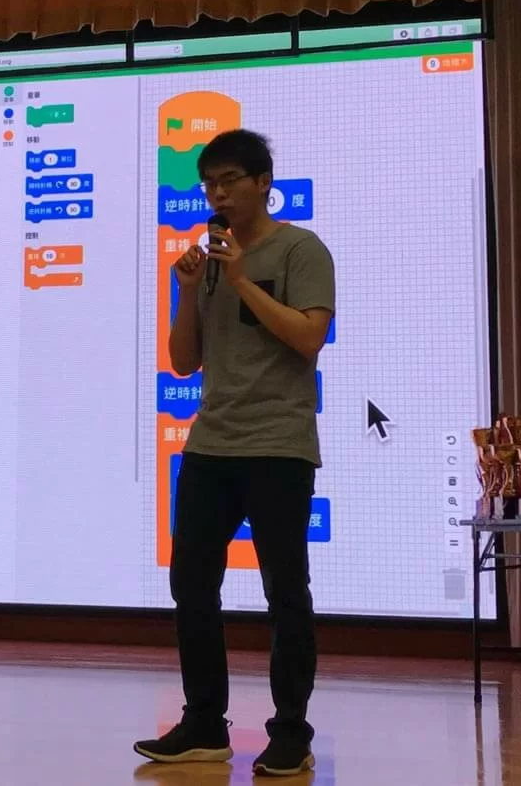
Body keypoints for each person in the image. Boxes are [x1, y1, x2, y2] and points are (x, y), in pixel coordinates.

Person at [133, 129, 335, 777]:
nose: (217, 194)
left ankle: (291, 732)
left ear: (262, 183)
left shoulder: (300, 249)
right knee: (191, 583)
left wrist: (243, 280)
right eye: (209, 184)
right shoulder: (210, 262)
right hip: (211, 444)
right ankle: (203, 723)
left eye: (229, 181)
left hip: (279, 444)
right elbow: (184, 361)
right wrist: (188, 290)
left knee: (285, 591)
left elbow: (309, 337)